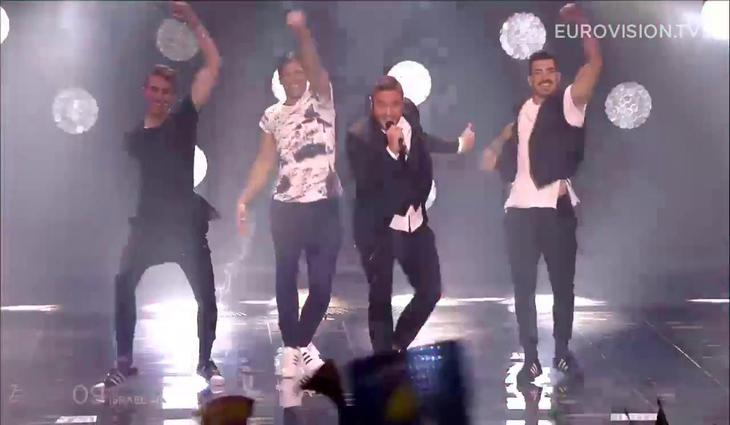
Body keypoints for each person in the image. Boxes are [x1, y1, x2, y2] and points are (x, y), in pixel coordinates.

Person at [481, 3, 601, 385]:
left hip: (555, 210)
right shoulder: (520, 111)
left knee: (563, 286)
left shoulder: (568, 104)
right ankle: (530, 358)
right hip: (519, 212)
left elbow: (594, 64)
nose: (545, 77)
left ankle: (561, 352)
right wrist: (498, 143)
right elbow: (496, 157)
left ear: (558, 76)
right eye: (539, 72)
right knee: (523, 289)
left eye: (551, 72)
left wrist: (582, 24)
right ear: (530, 78)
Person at [105, 1, 222, 387]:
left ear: (172, 95)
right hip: (149, 226)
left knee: (206, 296)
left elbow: (213, 65)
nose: (159, 96)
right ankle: (124, 360)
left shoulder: (183, 118)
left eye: (164, 91)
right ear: (146, 92)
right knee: (123, 283)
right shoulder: (135, 137)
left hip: (185, 225)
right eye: (153, 90)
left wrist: (194, 21)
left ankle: (205, 361)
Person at [236, 10, 339, 394]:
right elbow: (264, 161)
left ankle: (297, 345)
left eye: (300, 72)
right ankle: (293, 352)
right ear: (279, 80)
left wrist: (301, 31)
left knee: (322, 286)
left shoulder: (323, 100)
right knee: (285, 279)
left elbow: (313, 61)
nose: (296, 78)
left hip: (325, 206)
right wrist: (245, 198)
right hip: (286, 208)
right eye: (289, 74)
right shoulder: (272, 116)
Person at [346, 75, 475, 353]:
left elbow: (426, 141)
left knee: (431, 290)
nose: (388, 112)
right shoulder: (359, 136)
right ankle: (384, 360)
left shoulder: (411, 123)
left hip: (414, 223)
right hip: (378, 228)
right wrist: (392, 153)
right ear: (372, 104)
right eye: (382, 105)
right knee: (380, 297)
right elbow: (368, 184)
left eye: (394, 104)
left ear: (402, 103)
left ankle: (397, 345)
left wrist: (459, 145)